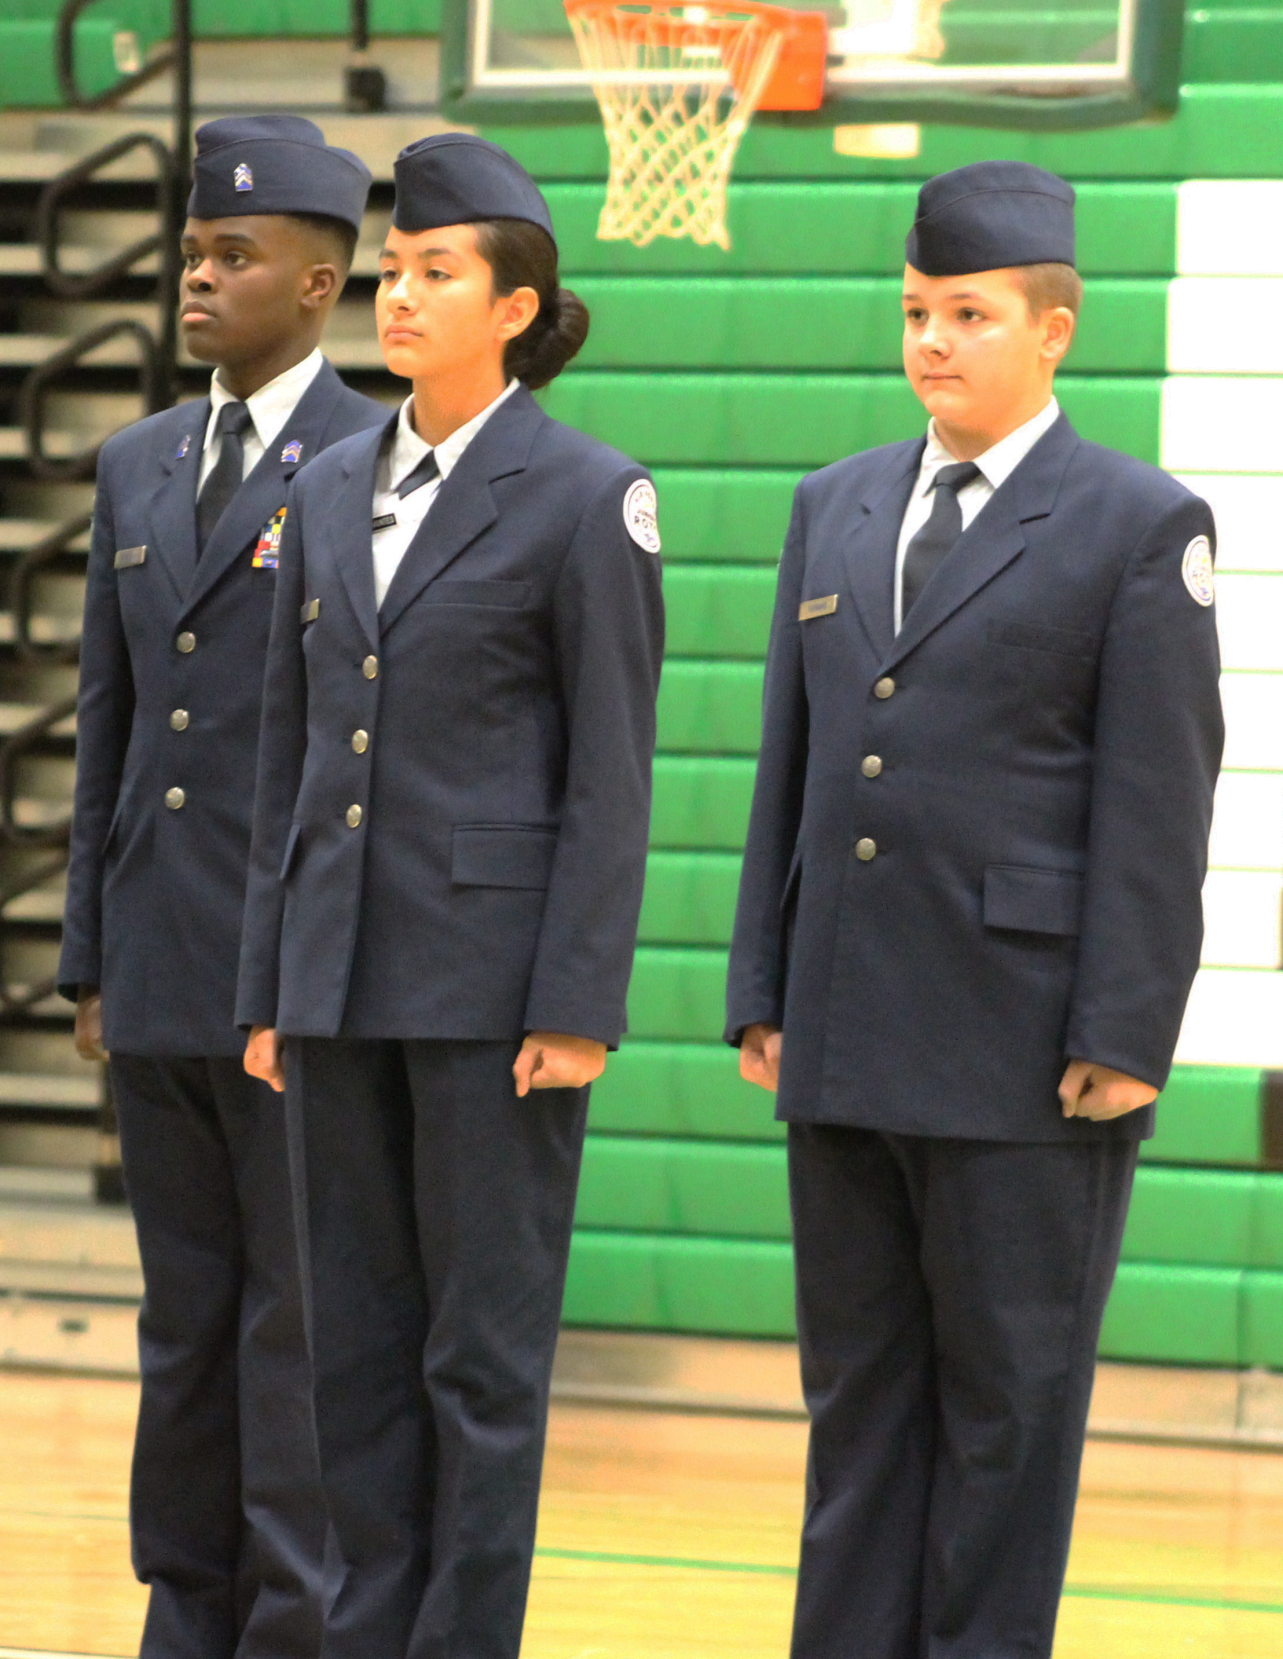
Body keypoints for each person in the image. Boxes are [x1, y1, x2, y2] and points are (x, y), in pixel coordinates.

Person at [726, 160, 1223, 1659]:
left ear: (1053, 329)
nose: (932, 340)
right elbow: (790, 766)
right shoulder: (833, 505)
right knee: (858, 1403)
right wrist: (762, 982)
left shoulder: (1136, 523)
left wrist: (1125, 1028)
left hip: (1023, 1048)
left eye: (969, 313)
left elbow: (1156, 804)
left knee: (1005, 1418)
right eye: (915, 312)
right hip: (846, 1027)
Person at [235, 131, 664, 1659]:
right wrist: (271, 985)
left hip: (493, 997)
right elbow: (290, 748)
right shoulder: (329, 479)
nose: (397, 296)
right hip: (338, 982)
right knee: (350, 1351)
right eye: (394, 270)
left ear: (515, 304)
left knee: (475, 1366)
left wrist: (576, 1005)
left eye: (434, 274)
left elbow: (610, 774)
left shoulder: (586, 495)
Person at [59, 114, 386, 1659]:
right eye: (192, 251)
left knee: (294, 1329)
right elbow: (109, 728)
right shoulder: (134, 463)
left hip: (290, 972)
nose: (199, 278)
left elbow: (354, 741)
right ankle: (183, 1613)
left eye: (234, 256)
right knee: (183, 1322)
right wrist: (88, 961)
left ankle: (291, 1626)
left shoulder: (376, 463)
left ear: (318, 285)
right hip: (162, 960)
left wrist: (315, 969)